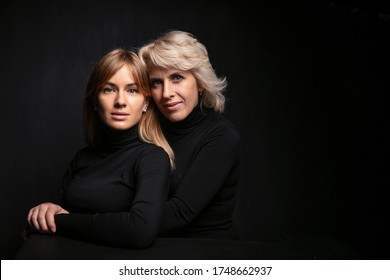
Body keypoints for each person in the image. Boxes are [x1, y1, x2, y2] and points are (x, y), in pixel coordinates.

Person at [25, 48, 174, 249]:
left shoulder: (152, 158)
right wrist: (43, 213)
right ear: (95, 100)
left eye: (132, 90)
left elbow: (140, 230)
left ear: (146, 102)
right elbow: (49, 216)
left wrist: (59, 223)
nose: (120, 101)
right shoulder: (83, 158)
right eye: (109, 89)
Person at [138, 30, 240, 239]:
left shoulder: (222, 136)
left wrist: (95, 223)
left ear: (200, 82)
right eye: (156, 82)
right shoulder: (147, 129)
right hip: (151, 248)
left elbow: (178, 213)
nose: (166, 93)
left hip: (205, 254)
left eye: (177, 78)